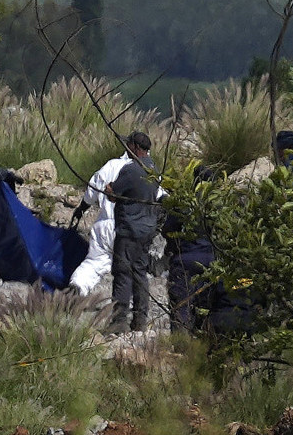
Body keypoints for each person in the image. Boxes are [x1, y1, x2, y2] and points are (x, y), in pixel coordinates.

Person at [69, 132, 152, 296]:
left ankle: (79, 285)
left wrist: (80, 210)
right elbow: (159, 198)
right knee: (131, 270)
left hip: (105, 225)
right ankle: (126, 309)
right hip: (132, 228)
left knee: (94, 262)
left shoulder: (111, 165)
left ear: (132, 147)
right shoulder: (149, 172)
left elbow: (92, 192)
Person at [107, 134, 161, 333]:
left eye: (129, 145)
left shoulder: (130, 170)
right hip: (147, 230)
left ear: (136, 147)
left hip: (129, 230)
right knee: (140, 274)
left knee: (122, 274)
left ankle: (118, 322)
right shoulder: (154, 169)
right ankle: (140, 320)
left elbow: (112, 194)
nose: (127, 148)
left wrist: (108, 189)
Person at [163, 165, 216, 334]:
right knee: (207, 306)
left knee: (181, 305)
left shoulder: (185, 202)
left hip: (185, 261)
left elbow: (168, 230)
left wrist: (174, 249)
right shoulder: (218, 205)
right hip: (211, 263)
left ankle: (181, 346)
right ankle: (203, 347)